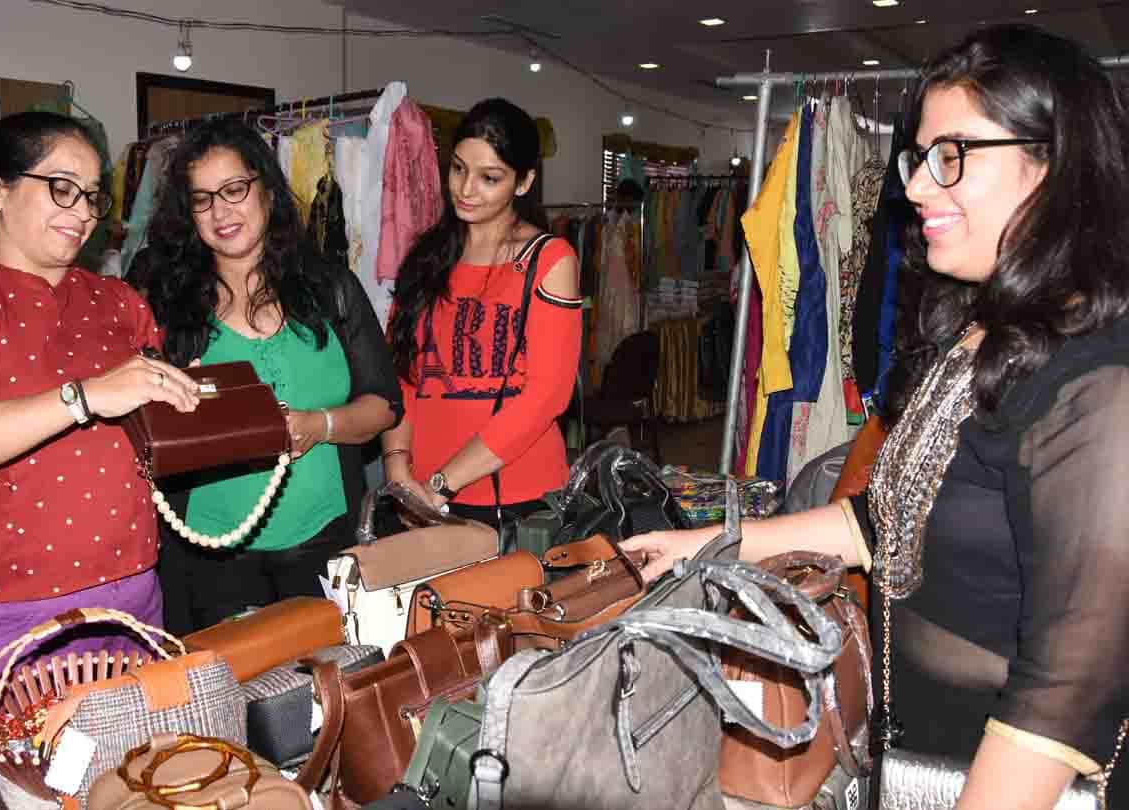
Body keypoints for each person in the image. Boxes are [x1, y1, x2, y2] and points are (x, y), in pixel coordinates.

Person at [624, 25, 1129, 809]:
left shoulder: (1096, 381)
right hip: (922, 757)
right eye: (919, 158)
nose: (920, 187)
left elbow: (1066, 689)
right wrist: (707, 544)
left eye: (951, 156)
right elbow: (884, 523)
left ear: (1056, 163)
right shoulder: (982, 333)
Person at [0, 111, 201, 680]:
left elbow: (153, 441)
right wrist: (83, 397)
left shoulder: (120, 299)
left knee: (143, 767)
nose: (81, 213)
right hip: (10, 615)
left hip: (136, 594)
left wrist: (193, 399)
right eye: (62, 189)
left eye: (92, 197)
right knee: (25, 771)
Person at [141, 120, 402, 634]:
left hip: (323, 544)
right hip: (207, 556)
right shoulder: (166, 301)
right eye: (202, 199)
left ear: (265, 188)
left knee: (320, 699)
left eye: (234, 189)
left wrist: (319, 425)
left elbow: (383, 404)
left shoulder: (330, 288)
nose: (221, 212)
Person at [382, 98, 581, 529]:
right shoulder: (426, 259)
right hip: (420, 492)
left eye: (489, 177)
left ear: (524, 182)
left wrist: (442, 482)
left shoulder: (548, 260)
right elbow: (401, 378)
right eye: (457, 169)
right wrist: (399, 470)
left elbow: (547, 396)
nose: (466, 189)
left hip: (516, 496)